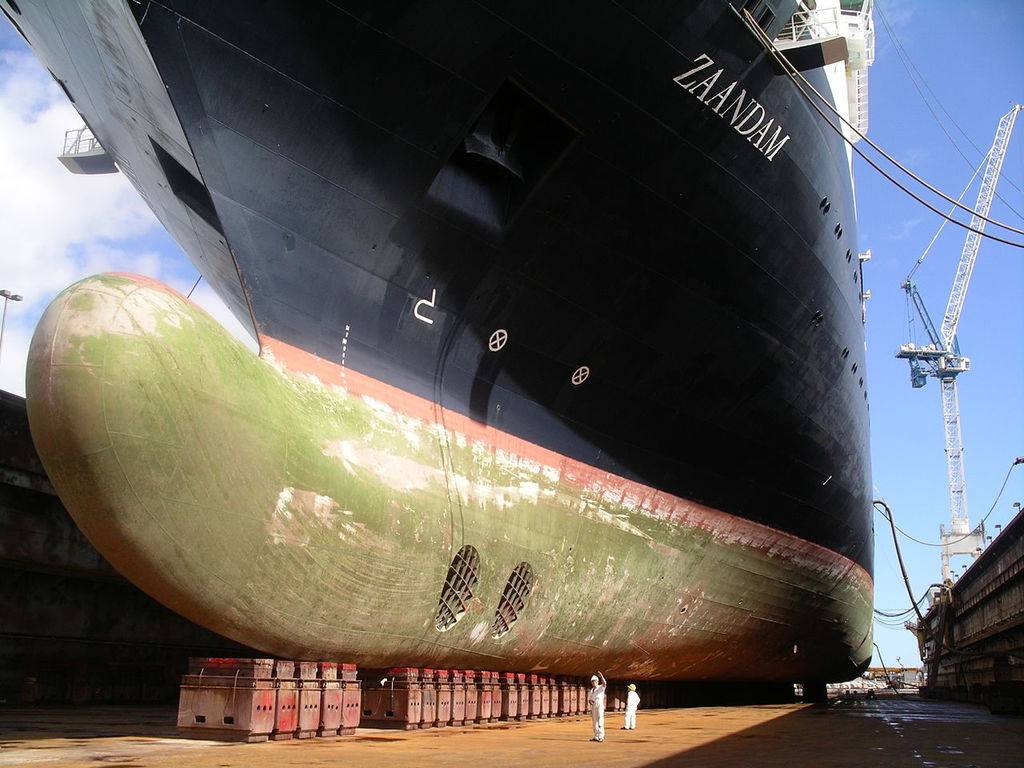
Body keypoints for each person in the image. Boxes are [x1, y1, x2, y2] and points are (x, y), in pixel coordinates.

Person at [587, 671, 607, 741]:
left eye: (595, 681)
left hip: (600, 706)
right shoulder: (592, 690)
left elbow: (604, 683)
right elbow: (590, 699)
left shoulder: (601, 688)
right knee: (594, 721)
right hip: (594, 707)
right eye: (592, 681)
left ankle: (601, 736)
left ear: (598, 681)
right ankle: (596, 736)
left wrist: (601, 676)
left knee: (600, 720)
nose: (593, 682)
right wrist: (590, 701)